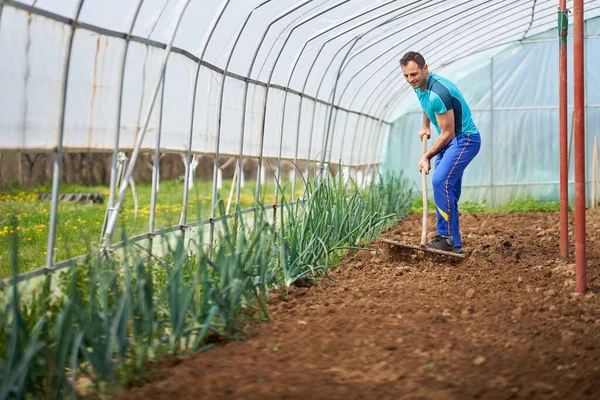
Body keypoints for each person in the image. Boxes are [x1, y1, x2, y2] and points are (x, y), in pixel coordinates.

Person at [399, 51, 481, 254]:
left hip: (464, 139)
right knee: (446, 188)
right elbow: (425, 104)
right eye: (406, 76)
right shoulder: (420, 87)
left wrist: (426, 156)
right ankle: (453, 244)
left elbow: (448, 132)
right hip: (451, 140)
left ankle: (447, 239)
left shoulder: (439, 93)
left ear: (425, 68)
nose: (411, 79)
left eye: (414, 74)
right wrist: (426, 125)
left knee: (440, 181)